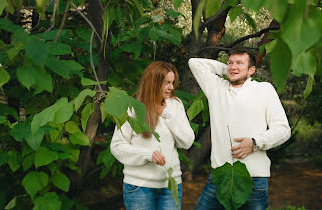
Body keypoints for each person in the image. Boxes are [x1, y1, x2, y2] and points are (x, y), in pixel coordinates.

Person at [188, 48, 291, 210]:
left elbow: (283, 130)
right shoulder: (216, 87)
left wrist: (255, 142)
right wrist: (230, 70)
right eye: (230, 63)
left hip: (254, 178)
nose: (233, 66)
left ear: (252, 70)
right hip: (220, 175)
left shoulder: (264, 90)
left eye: (239, 63)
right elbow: (194, 63)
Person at [110, 61, 195, 210]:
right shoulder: (131, 107)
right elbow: (117, 146)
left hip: (170, 184)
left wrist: (169, 116)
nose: (171, 87)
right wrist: (148, 154)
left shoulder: (175, 104)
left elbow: (187, 142)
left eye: (173, 82)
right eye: (167, 83)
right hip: (139, 187)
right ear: (153, 83)